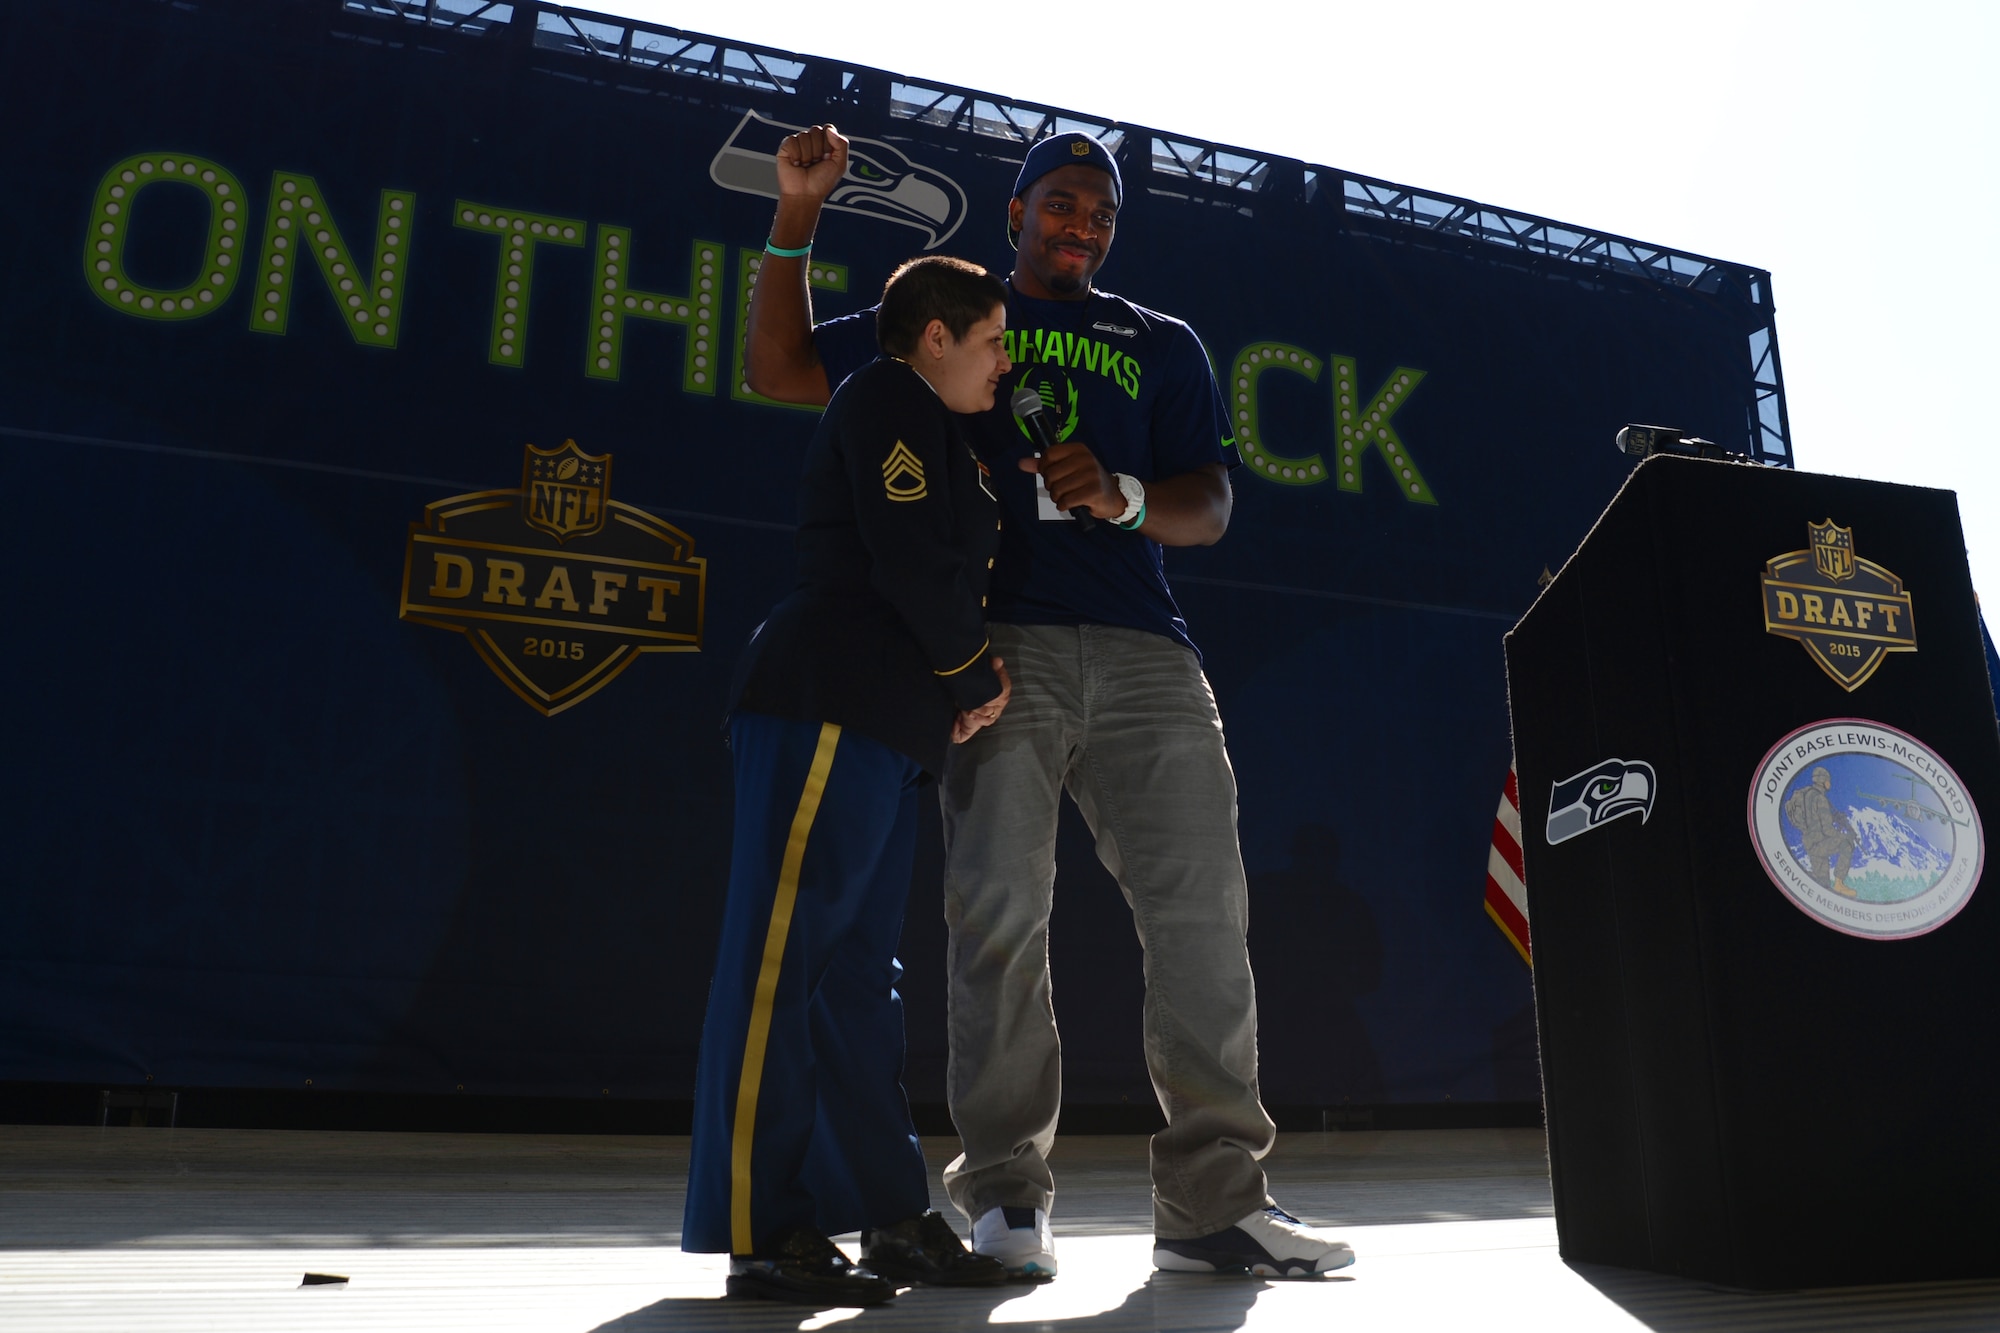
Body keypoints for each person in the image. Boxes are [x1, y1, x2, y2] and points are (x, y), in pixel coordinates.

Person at [745, 126, 1355, 1280]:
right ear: (1013, 208)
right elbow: (777, 370)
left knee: (1201, 927)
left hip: (1146, 657)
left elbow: (1211, 504)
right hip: (992, 651)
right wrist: (794, 216)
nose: (1082, 224)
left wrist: (1123, 494)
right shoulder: (958, 314)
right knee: (994, 922)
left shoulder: (1159, 341)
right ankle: (1006, 1200)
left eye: (1102, 213)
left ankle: (1213, 1205)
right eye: (1061, 203)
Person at [683, 255, 1019, 1307]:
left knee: (856, 983)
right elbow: (908, 554)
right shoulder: (884, 394)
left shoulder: (946, 430)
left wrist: (946, 691)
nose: (1005, 365)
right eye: (993, 341)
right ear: (933, 336)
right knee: (781, 965)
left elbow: (925, 566)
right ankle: (759, 1222)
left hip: (882, 723)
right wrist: (967, 672)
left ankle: (888, 1213)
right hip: (826, 699)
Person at [1786, 766, 1858, 896]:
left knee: (1822, 884)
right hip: (1820, 843)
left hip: (1809, 842)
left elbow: (1813, 820)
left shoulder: (1806, 795)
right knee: (1847, 844)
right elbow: (1828, 830)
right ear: (1824, 782)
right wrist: (1846, 836)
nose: (1829, 783)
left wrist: (1834, 818)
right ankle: (1839, 884)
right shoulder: (1821, 799)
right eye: (1828, 780)